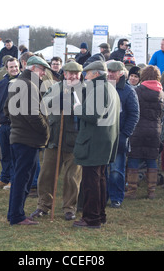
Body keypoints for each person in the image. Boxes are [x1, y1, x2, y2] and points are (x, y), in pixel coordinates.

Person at [30, 61, 85, 221]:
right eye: (70, 73)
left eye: (76, 73)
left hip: (76, 141)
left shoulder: (86, 91)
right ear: (64, 74)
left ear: (80, 75)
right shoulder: (55, 88)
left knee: (72, 177)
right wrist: (56, 101)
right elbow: (43, 105)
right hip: (54, 138)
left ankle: (69, 208)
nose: (73, 76)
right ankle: (43, 206)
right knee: (46, 174)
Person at [72, 60, 120, 228]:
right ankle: (99, 215)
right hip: (104, 140)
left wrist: (77, 107)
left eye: (88, 73)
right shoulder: (110, 88)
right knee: (99, 179)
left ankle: (91, 218)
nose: (85, 76)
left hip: (95, 141)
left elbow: (92, 116)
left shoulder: (99, 89)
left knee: (91, 182)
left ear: (97, 74)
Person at [4, 56, 50, 225]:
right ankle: (17, 216)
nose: (44, 73)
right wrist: (46, 131)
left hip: (19, 137)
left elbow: (5, 108)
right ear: (32, 69)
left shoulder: (17, 83)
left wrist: (17, 123)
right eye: (41, 70)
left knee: (19, 177)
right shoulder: (29, 85)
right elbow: (32, 114)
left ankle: (14, 213)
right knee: (22, 179)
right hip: (27, 139)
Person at [126, 65, 164, 199]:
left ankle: (132, 190)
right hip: (154, 130)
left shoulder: (137, 91)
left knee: (134, 158)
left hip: (138, 129)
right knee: (152, 159)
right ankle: (151, 191)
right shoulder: (161, 92)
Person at [106, 61, 139, 208]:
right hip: (103, 136)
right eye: (109, 71)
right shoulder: (102, 88)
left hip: (119, 136)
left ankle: (116, 197)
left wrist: (125, 134)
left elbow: (134, 114)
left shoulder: (128, 91)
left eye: (114, 71)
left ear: (121, 73)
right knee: (102, 169)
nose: (110, 74)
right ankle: (103, 195)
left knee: (116, 169)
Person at [0, 57, 21, 190]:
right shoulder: (2, 83)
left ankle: (13, 180)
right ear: (6, 68)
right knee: (5, 154)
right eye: (11, 67)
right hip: (2, 125)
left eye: (16, 66)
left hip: (16, 125)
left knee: (15, 154)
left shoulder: (23, 83)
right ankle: (4, 178)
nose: (14, 69)